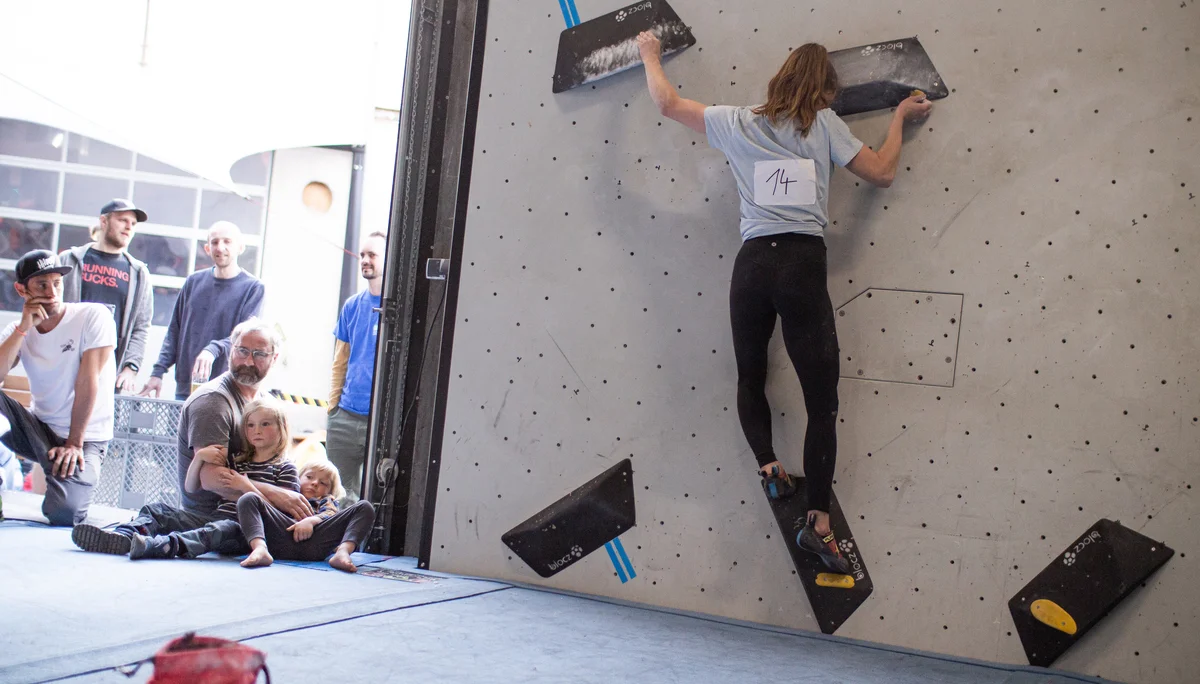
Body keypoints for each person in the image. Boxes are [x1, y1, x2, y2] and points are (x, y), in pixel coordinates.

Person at [637, 33, 932, 573]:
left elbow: (667, 103)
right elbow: (882, 174)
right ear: (824, 90)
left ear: (779, 77)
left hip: (750, 267)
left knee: (751, 377)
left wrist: (650, 54)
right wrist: (899, 120)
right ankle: (818, 525)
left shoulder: (735, 121)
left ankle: (769, 466)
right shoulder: (824, 125)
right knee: (822, 403)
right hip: (800, 266)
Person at [70, 318, 311, 553]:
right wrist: (278, 495)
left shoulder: (266, 404)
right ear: (230, 352)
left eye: (259, 354)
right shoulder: (214, 402)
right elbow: (210, 478)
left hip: (251, 522)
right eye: (242, 351)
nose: (248, 360)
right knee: (159, 512)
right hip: (212, 511)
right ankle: (124, 537)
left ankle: (153, 543)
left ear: (274, 358)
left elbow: (283, 465)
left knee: (218, 529)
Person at [0, 250, 116, 525]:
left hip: (85, 437)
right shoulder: (19, 330)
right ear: (21, 289)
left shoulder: (93, 316)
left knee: (64, 513)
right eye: (41, 284)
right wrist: (23, 328)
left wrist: (75, 443)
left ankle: (64, 478)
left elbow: (89, 382)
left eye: (57, 283)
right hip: (38, 428)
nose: (51, 292)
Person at [141, 221, 265, 400]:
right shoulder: (193, 282)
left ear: (240, 247)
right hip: (186, 387)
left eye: (227, 241)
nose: (220, 247)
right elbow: (175, 331)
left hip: (226, 389)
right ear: (207, 249)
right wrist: (157, 372)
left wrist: (213, 349)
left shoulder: (253, 288)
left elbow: (245, 339)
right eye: (215, 242)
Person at [58, 199, 153, 394]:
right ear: (104, 221)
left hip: (109, 372)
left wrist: (131, 367)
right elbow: (51, 308)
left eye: (133, 224)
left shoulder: (138, 273)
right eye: (122, 220)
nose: (129, 227)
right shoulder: (69, 260)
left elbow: (141, 326)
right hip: (66, 363)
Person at [326, 231, 386, 504]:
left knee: (376, 498)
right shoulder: (352, 306)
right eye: (362, 254)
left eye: (372, 255)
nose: (364, 260)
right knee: (341, 497)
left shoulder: (398, 307)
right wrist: (333, 409)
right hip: (346, 416)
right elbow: (339, 362)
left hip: (382, 420)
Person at [237, 459, 376, 573]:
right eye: (309, 477)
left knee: (365, 507)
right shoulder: (288, 496)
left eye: (323, 483)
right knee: (248, 498)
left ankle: (343, 552)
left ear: (330, 490)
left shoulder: (326, 499)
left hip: (316, 541)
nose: (315, 483)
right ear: (298, 478)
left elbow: (331, 512)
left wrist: (311, 520)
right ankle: (260, 548)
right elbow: (269, 512)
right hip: (283, 535)